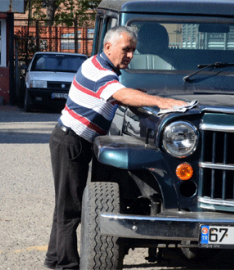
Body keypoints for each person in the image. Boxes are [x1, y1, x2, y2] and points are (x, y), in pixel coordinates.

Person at [44, 25, 186, 269]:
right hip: (71, 141)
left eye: (133, 50)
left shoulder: (102, 66)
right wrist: (163, 102)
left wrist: (139, 94)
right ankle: (65, 264)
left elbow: (122, 93)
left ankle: (54, 257)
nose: (130, 55)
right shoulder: (101, 72)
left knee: (65, 204)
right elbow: (121, 95)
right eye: (126, 49)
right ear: (108, 47)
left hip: (70, 140)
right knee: (70, 208)